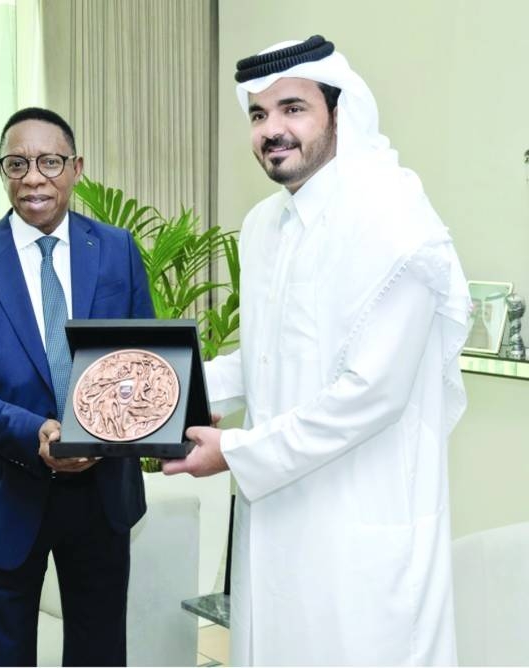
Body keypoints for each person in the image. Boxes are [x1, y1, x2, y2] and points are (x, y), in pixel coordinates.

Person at [163, 36, 471, 665]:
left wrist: (237, 451)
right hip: (278, 515)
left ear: (338, 111)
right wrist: (166, 392)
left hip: (359, 521)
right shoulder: (263, 226)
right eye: (258, 114)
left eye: (293, 108)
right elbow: (265, 356)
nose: (272, 129)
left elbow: (372, 394)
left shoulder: (393, 218)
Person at [0, 107, 154, 666]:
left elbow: (144, 361)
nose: (33, 178)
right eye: (17, 163)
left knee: (100, 655)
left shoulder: (117, 250)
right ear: (1, 171)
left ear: (76, 168)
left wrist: (158, 420)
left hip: (103, 493)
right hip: (6, 495)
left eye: (50, 162)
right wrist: (38, 434)